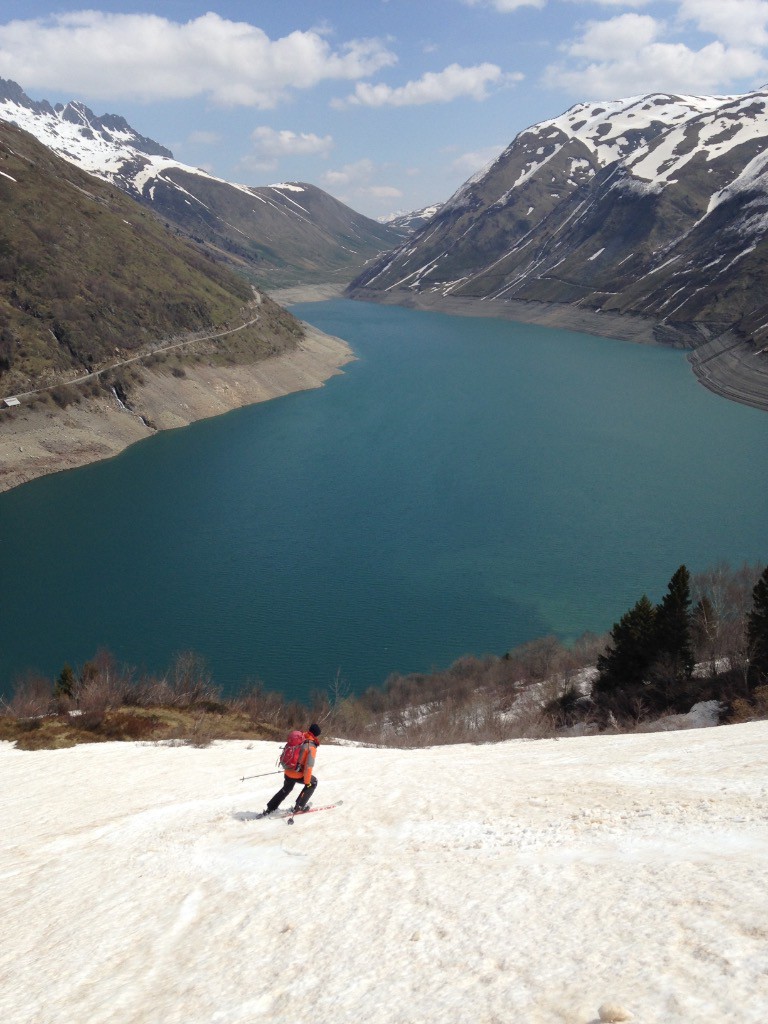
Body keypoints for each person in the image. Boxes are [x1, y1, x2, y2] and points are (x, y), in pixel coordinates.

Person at [263, 723, 321, 815]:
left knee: (287, 788)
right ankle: (299, 806)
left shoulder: (300, 738)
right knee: (313, 782)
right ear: (317, 734)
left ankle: (271, 807)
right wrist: (307, 783)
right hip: (297, 774)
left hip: (288, 770)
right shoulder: (311, 746)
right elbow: (308, 767)